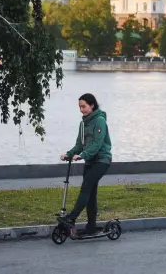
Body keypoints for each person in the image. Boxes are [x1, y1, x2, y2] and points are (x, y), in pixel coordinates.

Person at [58, 93, 113, 235]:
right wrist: (69, 154)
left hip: (101, 160)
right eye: (80, 107)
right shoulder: (83, 124)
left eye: (84, 106)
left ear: (92, 105)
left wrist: (82, 155)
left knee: (86, 187)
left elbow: (97, 143)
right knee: (91, 194)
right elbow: (79, 145)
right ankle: (91, 227)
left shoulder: (100, 120)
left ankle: (72, 218)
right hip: (90, 161)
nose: (82, 110)